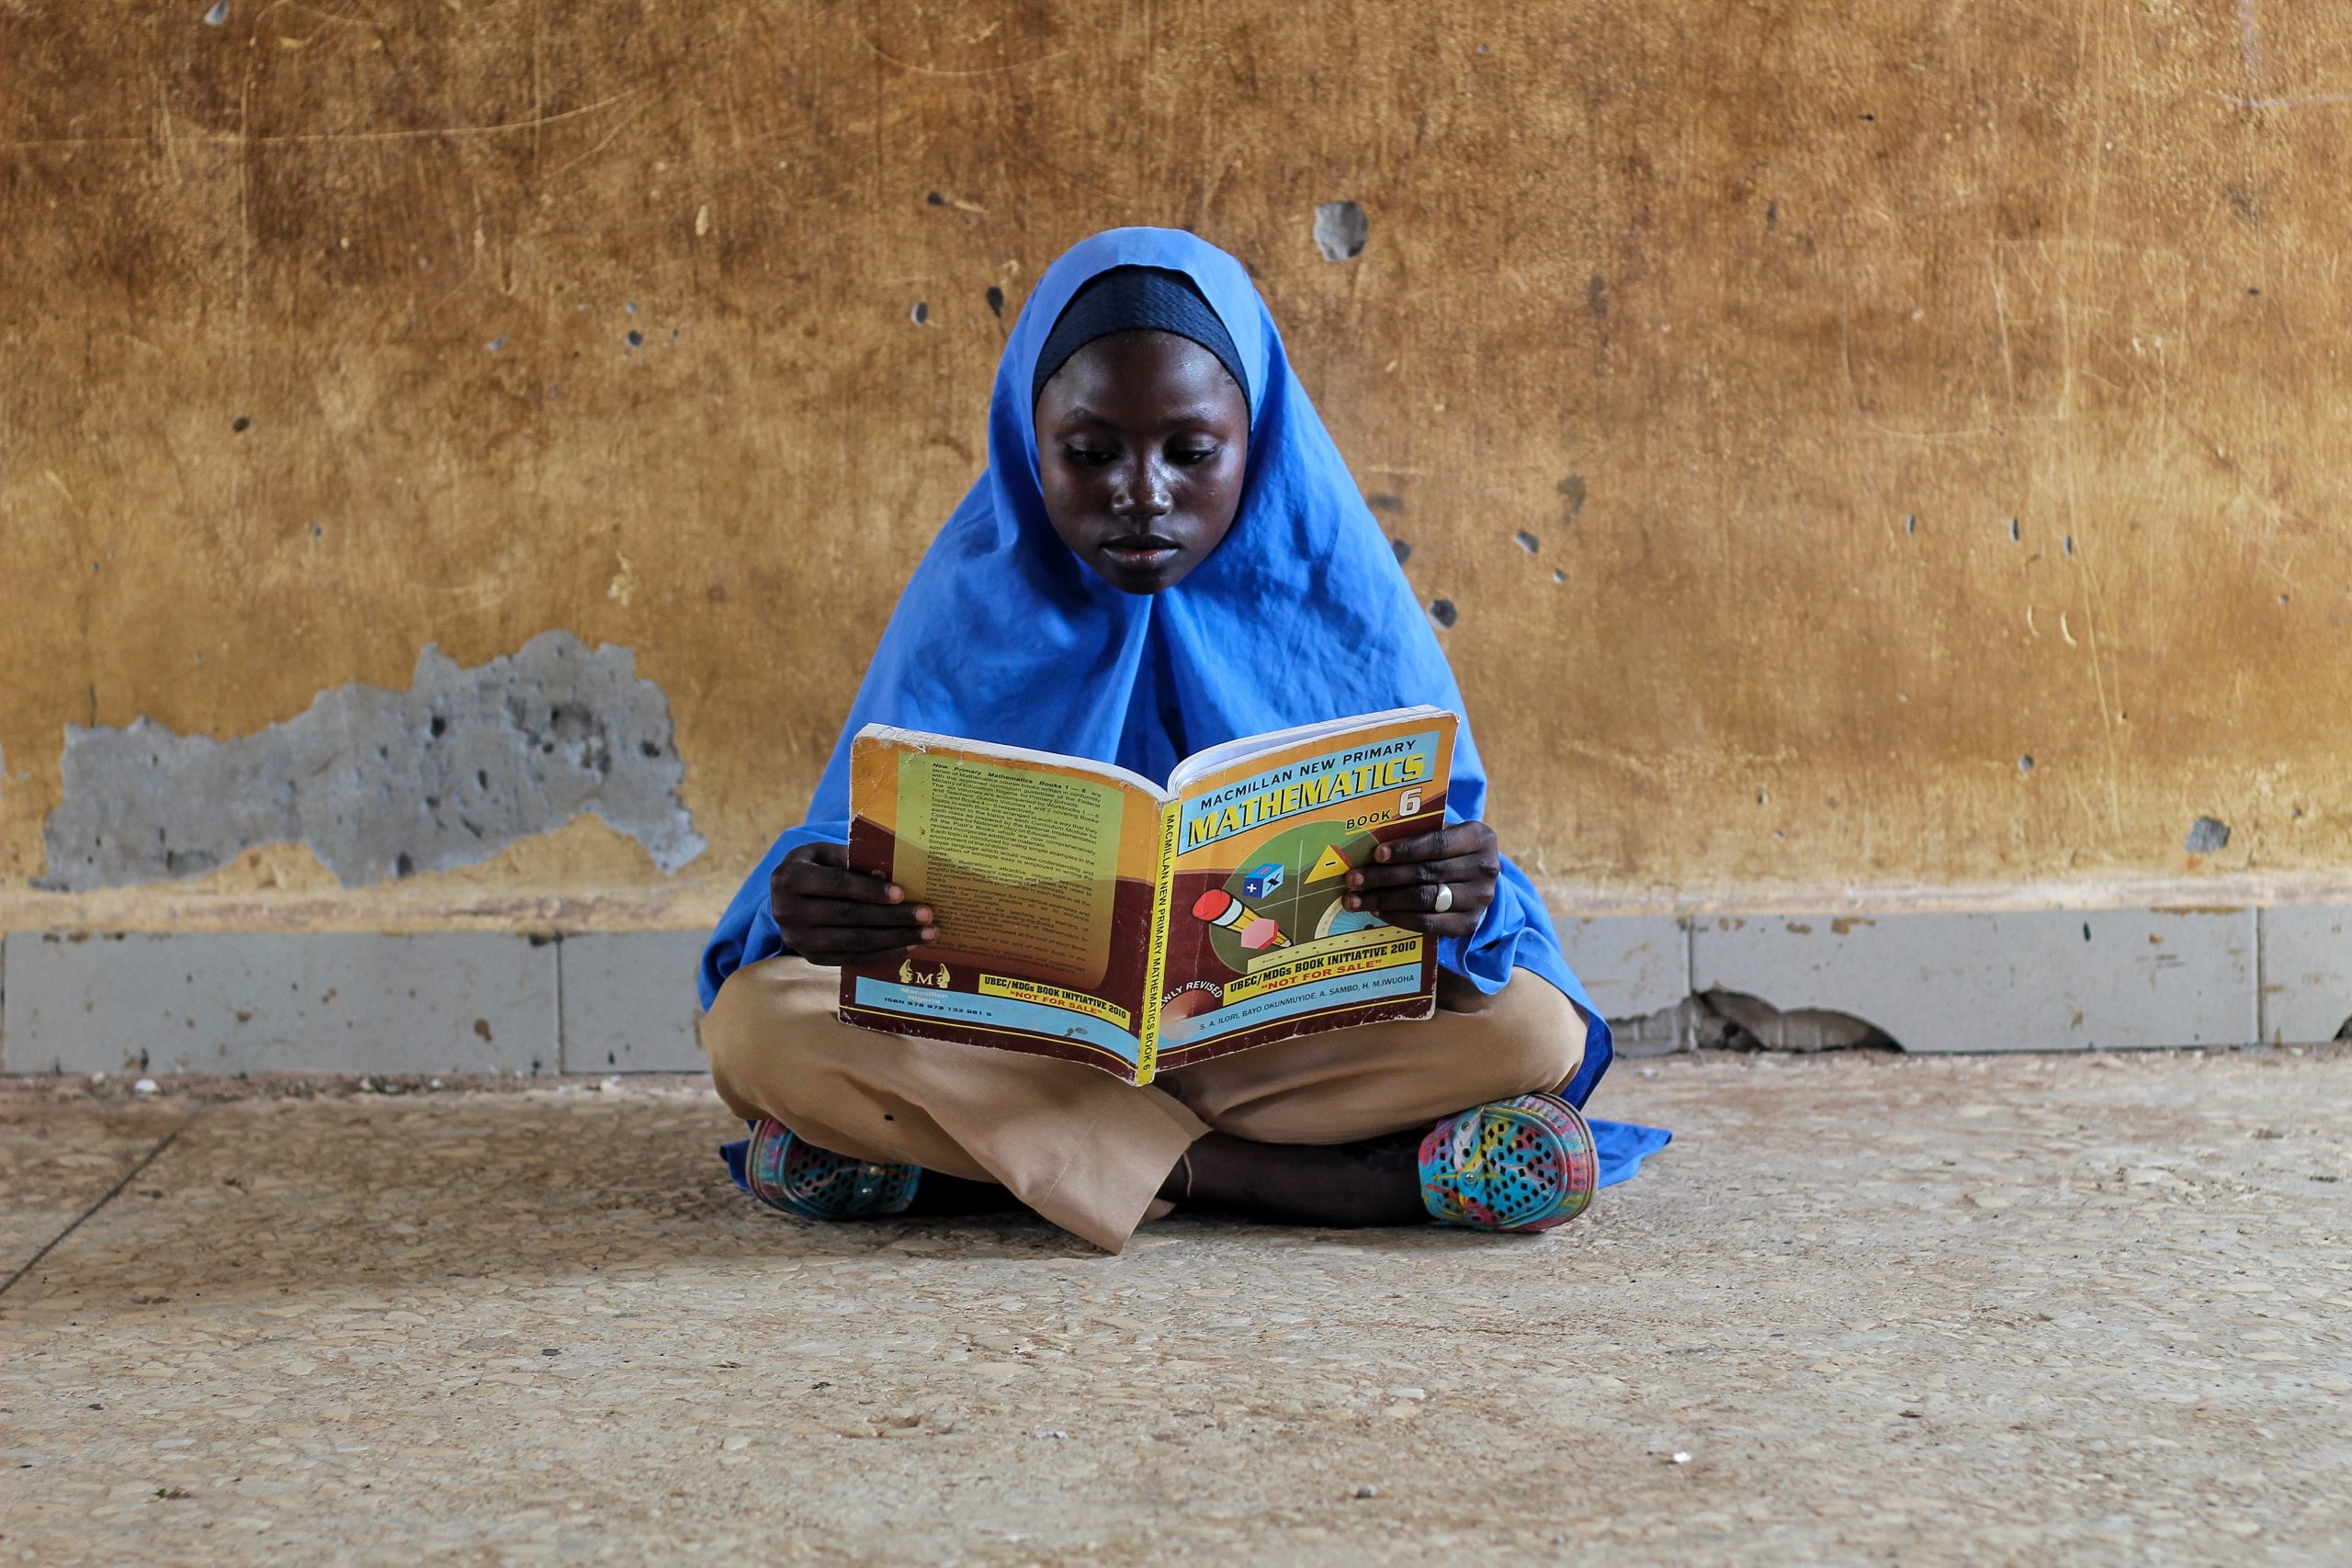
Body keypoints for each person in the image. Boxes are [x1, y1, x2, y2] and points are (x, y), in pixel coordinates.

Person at [698, 227, 1665, 1253]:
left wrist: (1456, 898)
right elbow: (833, 864)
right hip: (1028, 1041)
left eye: (1191, 451)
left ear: (1259, 440)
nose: (1143, 491)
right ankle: (1299, 1184)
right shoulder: (965, 606)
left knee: (1530, 1030)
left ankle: (977, 1158)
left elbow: (1466, 913)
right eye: (1090, 452)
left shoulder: (1345, 603)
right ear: (1032, 446)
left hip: (1257, 1050)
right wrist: (813, 903)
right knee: (758, 1029)